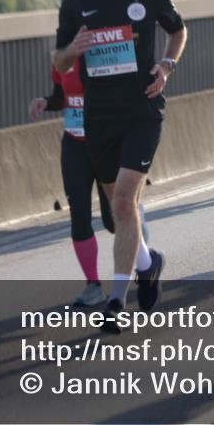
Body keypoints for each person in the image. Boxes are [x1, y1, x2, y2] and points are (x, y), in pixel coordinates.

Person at [54, 0, 187, 334]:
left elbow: (178, 30)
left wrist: (166, 65)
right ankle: (149, 263)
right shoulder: (75, 2)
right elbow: (59, 62)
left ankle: (115, 299)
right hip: (99, 118)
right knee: (118, 208)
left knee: (126, 197)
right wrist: (72, 49)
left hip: (142, 112)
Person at [28, 64, 153, 306]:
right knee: (79, 214)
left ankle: (143, 256)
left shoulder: (101, 52)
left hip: (107, 141)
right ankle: (93, 286)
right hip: (75, 147)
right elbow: (61, 97)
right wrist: (45, 101)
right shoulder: (61, 57)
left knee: (115, 219)